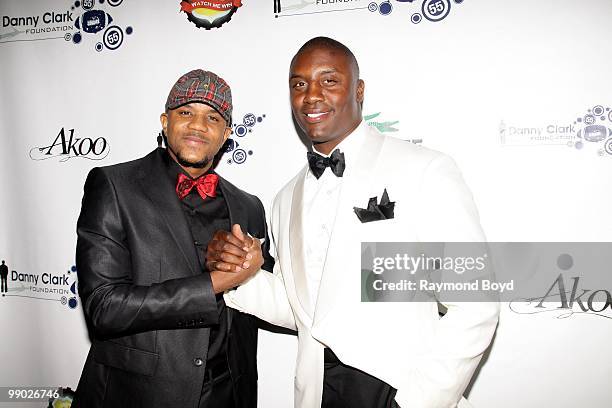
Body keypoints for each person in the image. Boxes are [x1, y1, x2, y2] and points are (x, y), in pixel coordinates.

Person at [207, 37, 500, 408]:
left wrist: (417, 402)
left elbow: (476, 304)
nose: (311, 95)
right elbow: (304, 309)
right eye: (299, 85)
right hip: (317, 396)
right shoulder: (285, 199)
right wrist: (242, 274)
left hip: (399, 390)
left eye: (329, 80)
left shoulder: (424, 169)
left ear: (358, 89)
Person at [72, 69, 271, 408]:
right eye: (185, 113)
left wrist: (258, 265)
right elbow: (104, 307)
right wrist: (212, 284)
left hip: (228, 393)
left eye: (212, 117)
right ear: (165, 122)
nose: (198, 125)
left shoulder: (249, 206)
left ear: (226, 135)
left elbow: (268, 296)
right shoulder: (115, 186)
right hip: (137, 394)